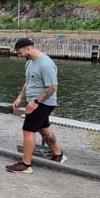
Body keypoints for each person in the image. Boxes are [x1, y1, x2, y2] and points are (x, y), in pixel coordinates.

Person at [6, 38, 67, 174]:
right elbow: (28, 82)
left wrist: (35, 103)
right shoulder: (30, 63)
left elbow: (52, 88)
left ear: (28, 48)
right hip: (35, 102)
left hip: (44, 103)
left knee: (28, 130)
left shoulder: (46, 64)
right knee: (44, 130)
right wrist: (20, 97)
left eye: (19, 52)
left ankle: (26, 165)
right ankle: (58, 155)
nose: (19, 55)